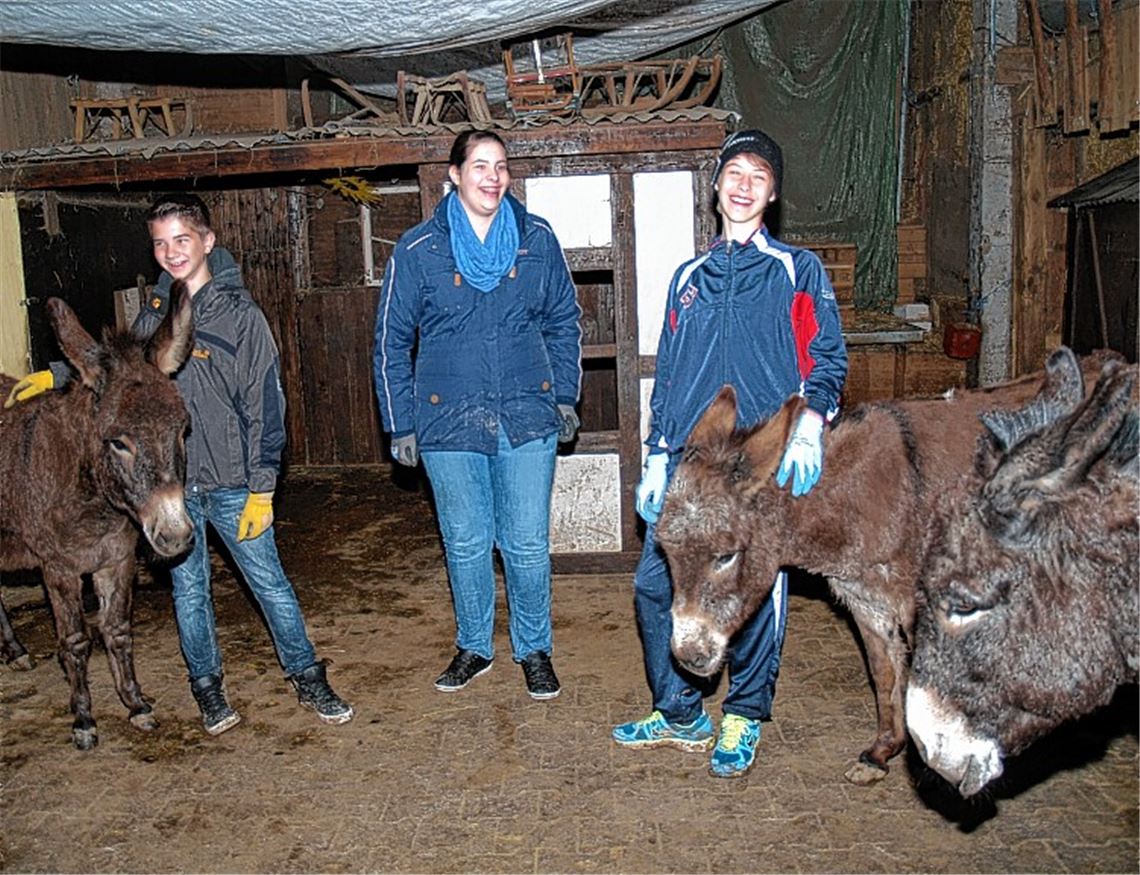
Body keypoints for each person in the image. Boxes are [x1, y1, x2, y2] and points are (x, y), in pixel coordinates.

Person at [7, 193, 354, 735]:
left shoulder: (241, 317)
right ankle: (208, 689)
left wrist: (263, 486)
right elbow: (113, 368)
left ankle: (307, 675)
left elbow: (266, 405)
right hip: (173, 483)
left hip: (236, 481)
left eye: (182, 240)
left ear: (208, 242)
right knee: (190, 593)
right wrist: (57, 373)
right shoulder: (154, 313)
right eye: (161, 243)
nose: (171, 252)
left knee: (270, 584)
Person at [611, 129, 848, 777]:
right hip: (692, 469)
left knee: (750, 591)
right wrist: (658, 453)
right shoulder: (688, 277)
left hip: (758, 465)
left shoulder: (796, 269)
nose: (743, 185)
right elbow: (674, 370)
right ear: (716, 186)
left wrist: (810, 422)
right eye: (733, 173)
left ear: (772, 194)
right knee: (654, 584)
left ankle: (743, 714)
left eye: (758, 176)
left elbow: (828, 355)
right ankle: (681, 710)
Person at [373, 129, 581, 701]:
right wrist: (401, 422)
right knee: (464, 542)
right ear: (455, 176)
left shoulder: (537, 240)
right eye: (480, 166)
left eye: (501, 167)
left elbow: (564, 321)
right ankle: (474, 646)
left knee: (526, 544)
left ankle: (534, 648)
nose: (492, 177)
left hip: (524, 412)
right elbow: (391, 340)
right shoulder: (418, 250)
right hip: (448, 419)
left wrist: (564, 395)